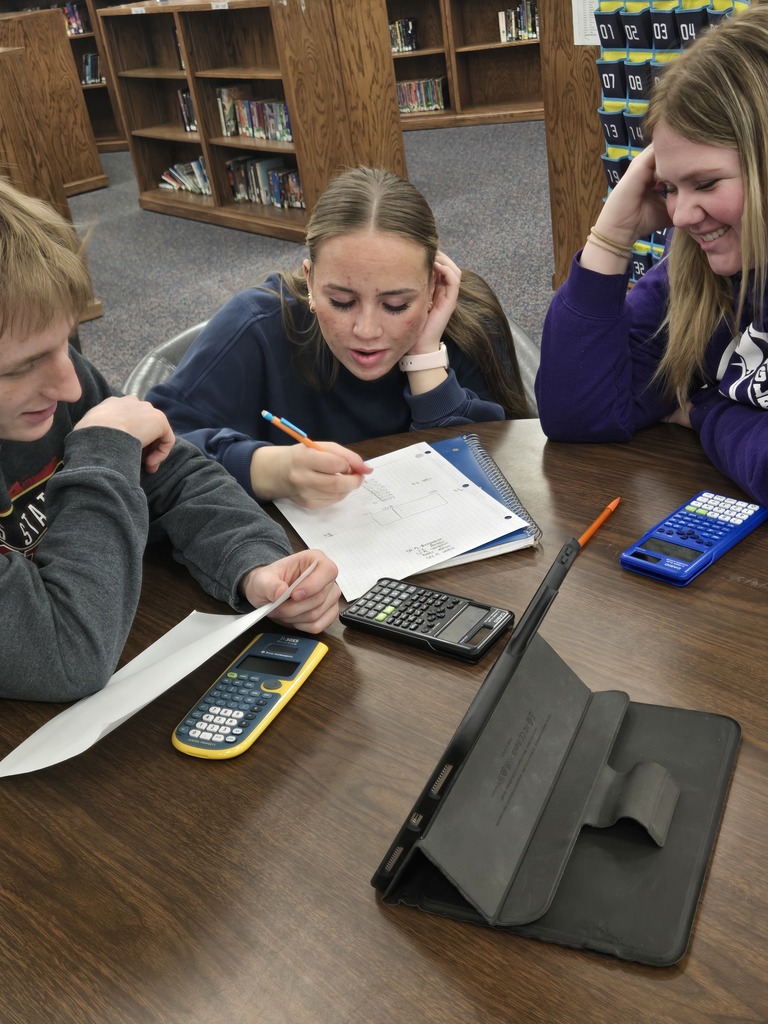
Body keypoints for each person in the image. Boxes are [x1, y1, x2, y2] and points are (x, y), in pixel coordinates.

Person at [0, 178, 340, 703]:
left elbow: (175, 478)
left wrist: (254, 564)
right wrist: (103, 454)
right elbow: (68, 654)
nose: (70, 387)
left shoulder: (56, 386)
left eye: (66, 342)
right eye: (22, 367)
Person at [146, 166, 530, 509]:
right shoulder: (255, 326)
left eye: (396, 305)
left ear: (433, 287)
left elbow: (504, 473)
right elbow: (148, 452)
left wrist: (425, 357)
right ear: (310, 281)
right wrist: (267, 469)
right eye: (341, 302)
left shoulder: (469, 323)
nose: (367, 331)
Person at [535, 4, 768, 508]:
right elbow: (579, 414)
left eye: (706, 182)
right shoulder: (694, 271)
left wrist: (706, 407)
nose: (680, 216)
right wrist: (611, 234)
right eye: (669, 188)